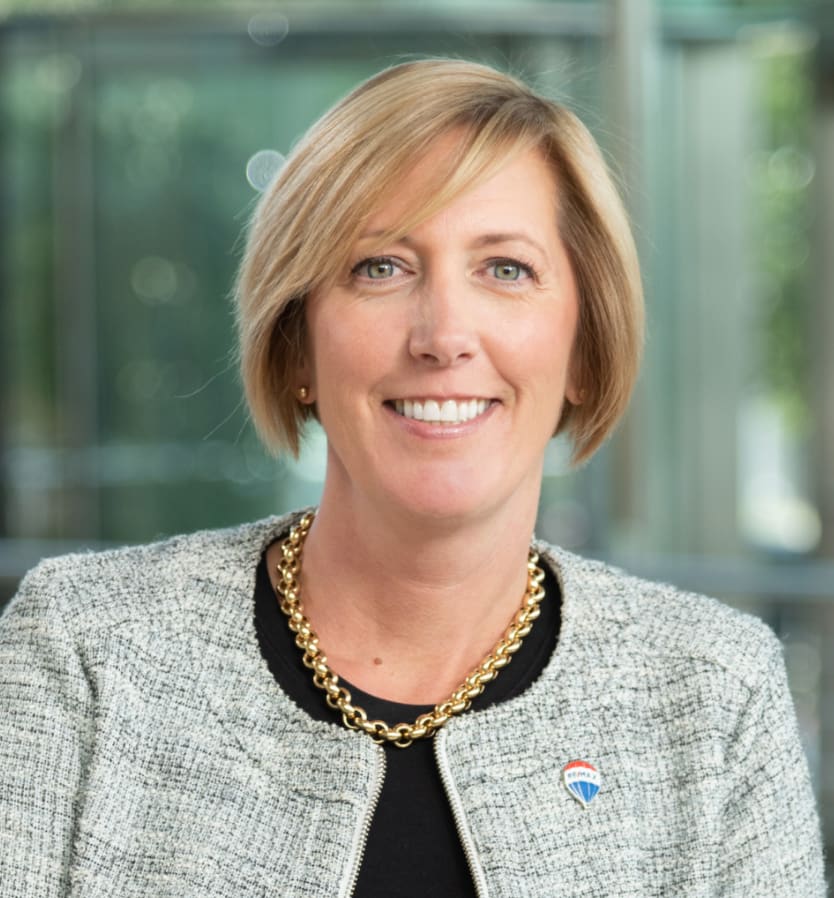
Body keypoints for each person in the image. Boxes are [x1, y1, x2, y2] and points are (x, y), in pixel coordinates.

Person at [0, 59, 826, 898]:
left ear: (583, 348)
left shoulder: (714, 696)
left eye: (505, 269)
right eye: (381, 267)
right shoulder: (86, 654)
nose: (443, 336)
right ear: (297, 345)